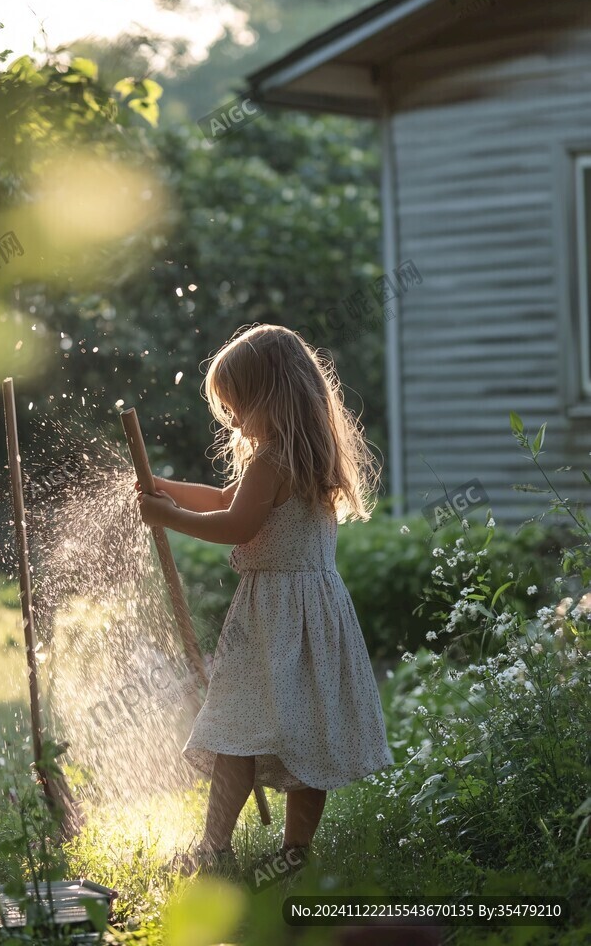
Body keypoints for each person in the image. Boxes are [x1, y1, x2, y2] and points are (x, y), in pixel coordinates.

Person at [136, 323, 395, 875]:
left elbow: (235, 523)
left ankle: (215, 849)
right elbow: (226, 498)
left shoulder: (273, 461)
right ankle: (293, 853)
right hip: (315, 618)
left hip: (273, 618)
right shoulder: (308, 458)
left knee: (234, 728)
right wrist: (163, 485)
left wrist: (167, 516)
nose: (232, 421)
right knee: (309, 735)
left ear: (270, 397)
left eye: (237, 406)